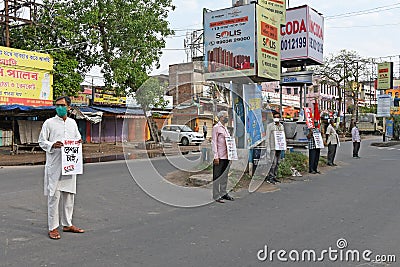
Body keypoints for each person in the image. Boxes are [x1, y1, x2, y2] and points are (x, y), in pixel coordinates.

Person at [38, 96, 85, 240]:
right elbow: (41, 141)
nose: (59, 108)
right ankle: (53, 227)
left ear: (69, 107)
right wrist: (52, 145)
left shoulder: (72, 123)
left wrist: (78, 142)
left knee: (69, 196)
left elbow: (78, 139)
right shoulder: (49, 123)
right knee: (54, 197)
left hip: (70, 165)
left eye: (62, 105)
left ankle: (67, 223)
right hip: (55, 165)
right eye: (57, 105)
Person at [212, 111, 234, 203]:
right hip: (219, 157)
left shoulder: (225, 128)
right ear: (221, 117)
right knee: (217, 176)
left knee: (224, 176)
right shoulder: (216, 128)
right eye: (226, 117)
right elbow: (214, 142)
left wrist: (231, 156)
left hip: (227, 156)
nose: (227, 118)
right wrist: (215, 156)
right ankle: (216, 195)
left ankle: (223, 193)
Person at [265, 113, 286, 184]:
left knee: (277, 163)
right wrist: (267, 147)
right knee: (273, 163)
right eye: (275, 117)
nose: (277, 118)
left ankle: (274, 176)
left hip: (279, 147)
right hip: (272, 147)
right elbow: (267, 137)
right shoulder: (270, 126)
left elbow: (283, 137)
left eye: (278, 117)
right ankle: (270, 177)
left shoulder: (281, 126)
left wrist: (284, 146)